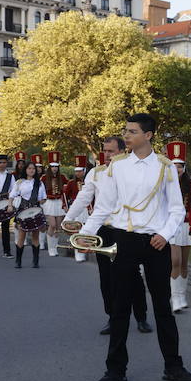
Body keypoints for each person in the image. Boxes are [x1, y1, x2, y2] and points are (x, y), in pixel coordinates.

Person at [78, 114, 191, 381]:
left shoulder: (165, 168)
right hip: (124, 239)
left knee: (162, 306)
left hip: (156, 243)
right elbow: (104, 207)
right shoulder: (117, 167)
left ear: (149, 135)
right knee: (120, 307)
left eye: (132, 131)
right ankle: (115, 370)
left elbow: (177, 209)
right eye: (126, 131)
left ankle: (173, 366)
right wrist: (85, 234)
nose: (126, 135)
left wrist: (164, 236)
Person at [63, 140, 151, 334]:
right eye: (105, 151)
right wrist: (68, 218)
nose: (107, 154)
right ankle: (112, 317)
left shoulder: (134, 170)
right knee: (106, 276)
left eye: (111, 151)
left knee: (133, 274)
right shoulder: (96, 173)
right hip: (104, 228)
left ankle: (141, 316)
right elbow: (84, 197)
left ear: (123, 150)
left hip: (128, 229)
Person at [165, 142, 191, 312]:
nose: (177, 169)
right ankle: (175, 298)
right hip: (170, 226)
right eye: (173, 166)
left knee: (184, 263)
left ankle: (182, 295)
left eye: (180, 166)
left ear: (184, 168)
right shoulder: (163, 183)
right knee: (174, 261)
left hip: (185, 226)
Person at [11, 160, 46, 268]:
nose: (31, 170)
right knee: (22, 235)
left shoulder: (39, 183)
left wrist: (40, 201)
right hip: (23, 210)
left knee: (35, 235)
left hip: (35, 210)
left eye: (33, 169)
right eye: (29, 168)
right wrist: (9, 205)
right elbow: (12, 195)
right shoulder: (19, 182)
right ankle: (18, 261)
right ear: (25, 170)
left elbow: (43, 198)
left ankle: (35, 261)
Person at [39, 152, 67, 256]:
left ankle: (55, 248)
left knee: (58, 227)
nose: (54, 168)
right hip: (49, 203)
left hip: (59, 203)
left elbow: (66, 190)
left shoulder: (63, 177)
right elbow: (40, 191)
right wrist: (42, 199)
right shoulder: (44, 178)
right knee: (52, 224)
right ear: (49, 167)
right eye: (52, 166)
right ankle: (50, 248)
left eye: (56, 166)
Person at [63, 157, 88, 263]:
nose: (78, 173)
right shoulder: (72, 183)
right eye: (76, 171)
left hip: (88, 209)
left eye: (80, 171)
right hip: (77, 209)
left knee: (87, 231)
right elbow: (65, 194)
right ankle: (78, 253)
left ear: (84, 171)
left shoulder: (89, 181)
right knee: (77, 230)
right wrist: (65, 205)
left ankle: (86, 249)